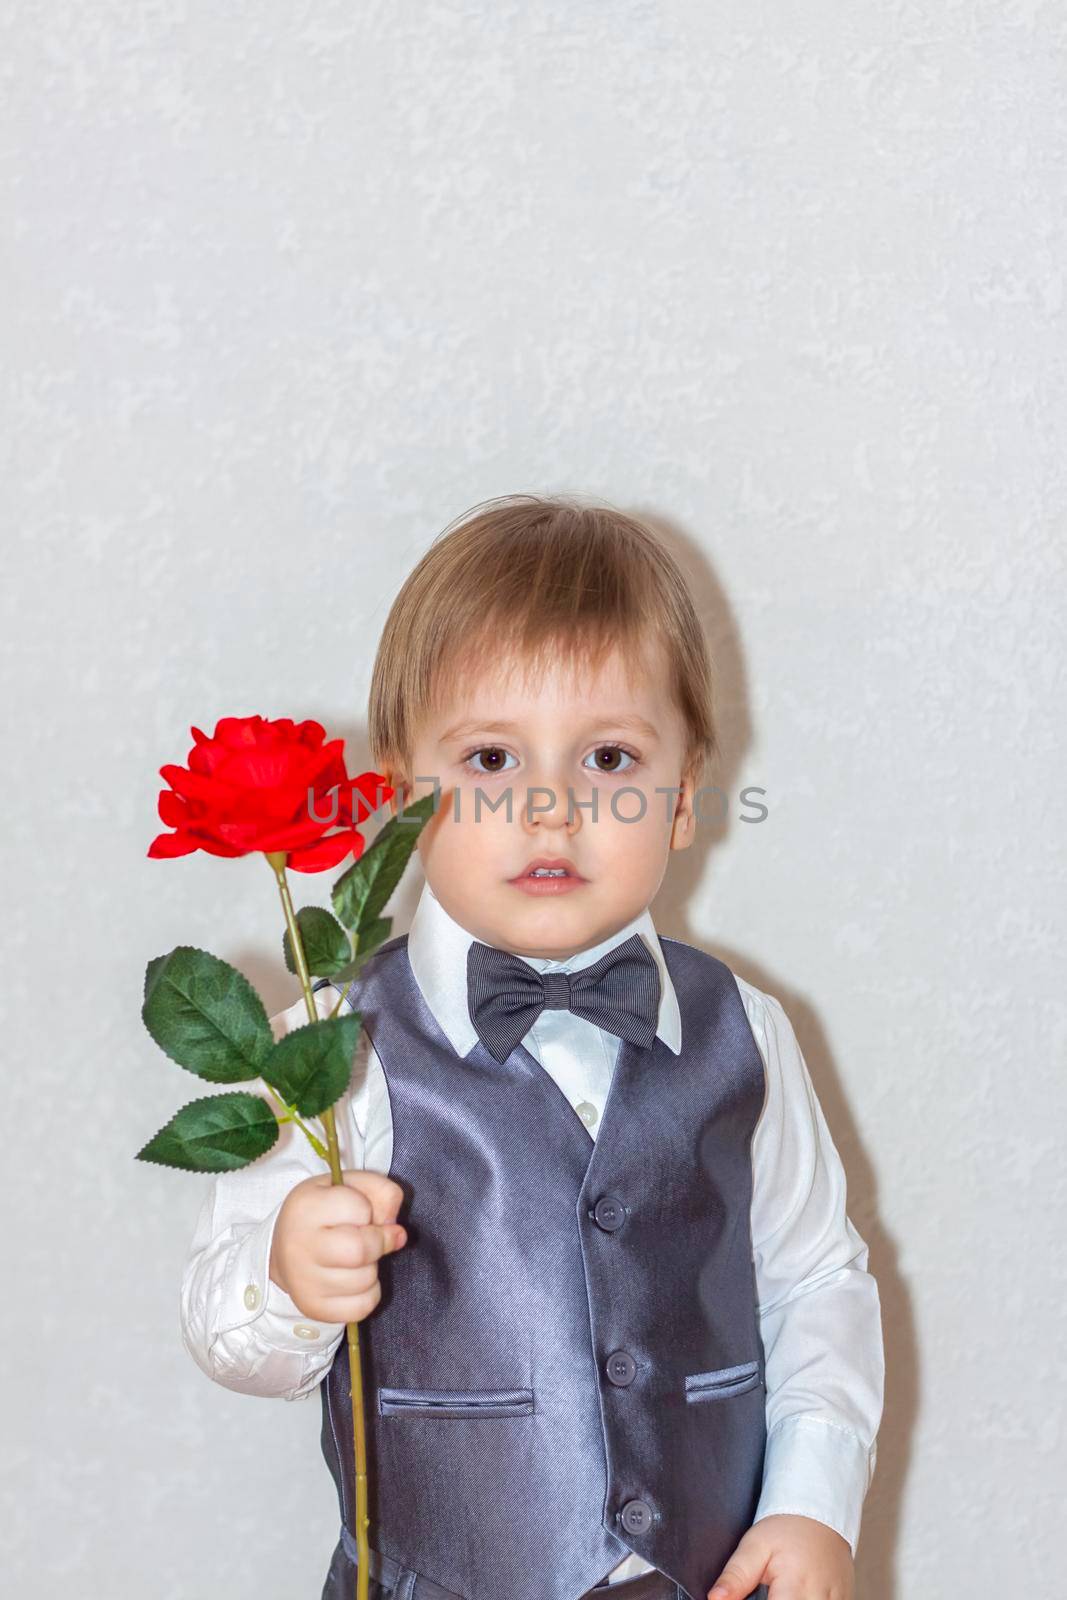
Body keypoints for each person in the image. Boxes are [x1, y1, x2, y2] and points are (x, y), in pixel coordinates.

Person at [180, 494, 884, 1600]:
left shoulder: (742, 1029)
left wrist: (811, 1501)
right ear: (400, 793)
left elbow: (815, 1277)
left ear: (683, 795)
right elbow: (235, 1344)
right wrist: (288, 1280)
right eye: (492, 758)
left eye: (608, 755)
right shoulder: (329, 1053)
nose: (550, 808)